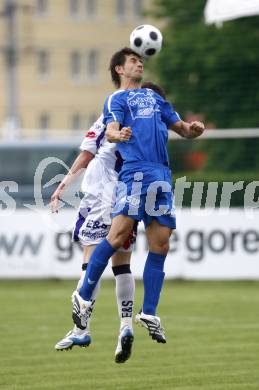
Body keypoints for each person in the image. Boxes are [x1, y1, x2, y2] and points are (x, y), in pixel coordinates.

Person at [72, 47, 205, 356]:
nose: (139, 63)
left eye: (141, 60)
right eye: (133, 60)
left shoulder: (157, 100)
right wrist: (117, 135)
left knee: (161, 245)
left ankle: (149, 312)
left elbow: (183, 128)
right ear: (120, 69)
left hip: (161, 176)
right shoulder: (116, 99)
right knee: (117, 237)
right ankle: (84, 293)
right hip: (134, 174)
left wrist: (193, 130)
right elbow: (113, 129)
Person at [51, 114, 136, 363]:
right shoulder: (149, 123)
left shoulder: (111, 112)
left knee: (90, 261)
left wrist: (63, 184)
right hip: (130, 193)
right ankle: (125, 326)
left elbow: (87, 154)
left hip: (101, 195)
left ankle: (81, 329)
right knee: (122, 265)